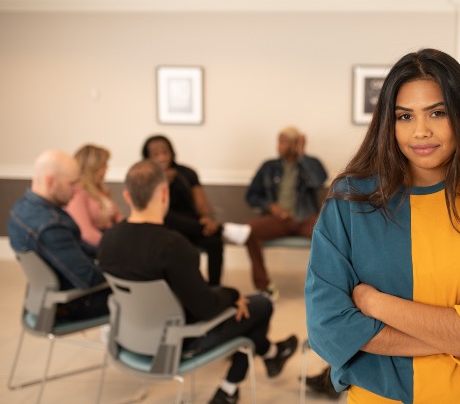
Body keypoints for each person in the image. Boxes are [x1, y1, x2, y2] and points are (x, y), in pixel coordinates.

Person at [305, 49, 460, 403]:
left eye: (437, 113)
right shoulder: (350, 201)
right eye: (405, 116)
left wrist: (374, 303)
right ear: (388, 124)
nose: (421, 131)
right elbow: (328, 327)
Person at [98, 160, 298, 404]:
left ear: (127, 196)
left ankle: (266, 359)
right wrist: (234, 295)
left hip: (128, 340)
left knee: (235, 305)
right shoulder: (172, 245)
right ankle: (232, 385)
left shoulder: (108, 240)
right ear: (164, 194)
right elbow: (206, 308)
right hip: (180, 342)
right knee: (260, 306)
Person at [7, 149, 110, 321]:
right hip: (68, 305)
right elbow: (89, 278)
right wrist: (122, 269)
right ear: (50, 181)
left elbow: (80, 248)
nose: (77, 190)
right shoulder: (50, 226)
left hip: (42, 299)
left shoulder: (21, 208)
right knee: (144, 296)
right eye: (72, 183)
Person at [142, 134, 250, 286]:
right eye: (156, 154)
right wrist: (163, 182)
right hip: (165, 229)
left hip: (192, 226)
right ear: (147, 158)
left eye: (165, 152)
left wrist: (208, 218)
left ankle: (214, 286)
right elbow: (151, 209)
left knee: (214, 242)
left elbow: (201, 203)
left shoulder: (186, 173)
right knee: (169, 217)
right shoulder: (144, 176)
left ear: (172, 153)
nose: (162, 158)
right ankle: (222, 229)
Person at [245, 126, 327, 298]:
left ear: (295, 144)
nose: (279, 146)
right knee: (248, 232)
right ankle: (264, 286)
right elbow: (251, 195)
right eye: (279, 141)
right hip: (279, 220)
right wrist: (270, 207)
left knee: (331, 235)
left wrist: (302, 155)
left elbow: (318, 180)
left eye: (284, 142)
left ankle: (325, 286)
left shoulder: (311, 164)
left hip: (306, 219)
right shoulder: (268, 167)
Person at [65, 144, 122, 247]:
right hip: (96, 248)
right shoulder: (77, 193)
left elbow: (118, 219)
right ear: (93, 167)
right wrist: (116, 246)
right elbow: (86, 233)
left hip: (110, 239)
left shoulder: (101, 190)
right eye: (104, 164)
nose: (107, 168)